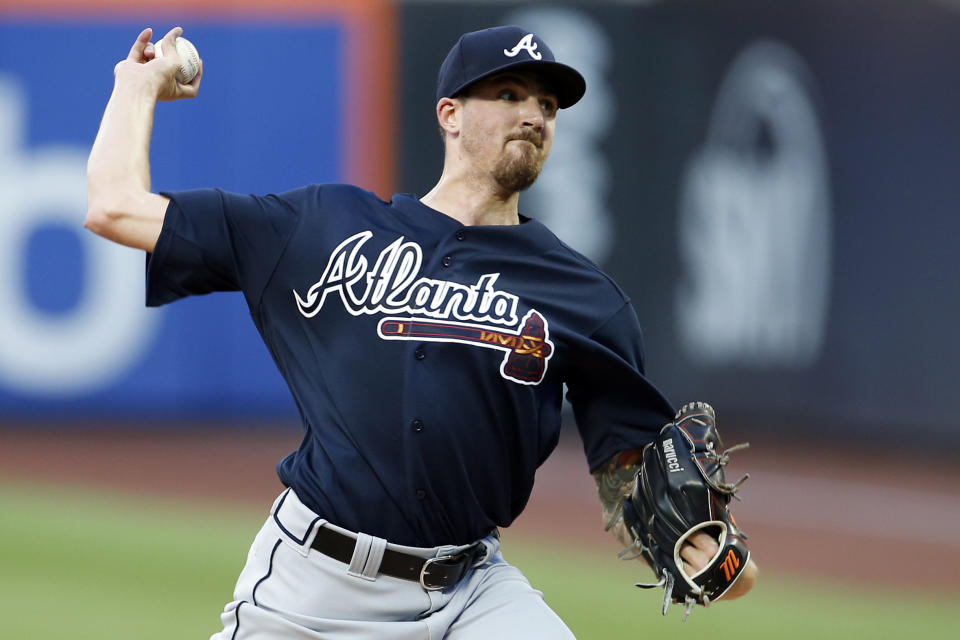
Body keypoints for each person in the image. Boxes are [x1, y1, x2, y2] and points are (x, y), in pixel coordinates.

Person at [86, 24, 757, 640]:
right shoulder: (323, 226)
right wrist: (135, 85)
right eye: (508, 93)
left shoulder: (585, 297)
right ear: (450, 115)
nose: (534, 114)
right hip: (315, 587)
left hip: (470, 590)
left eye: (548, 105)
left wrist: (706, 549)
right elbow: (114, 206)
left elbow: (631, 472)